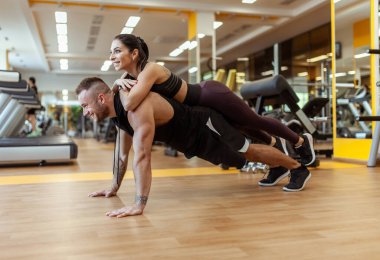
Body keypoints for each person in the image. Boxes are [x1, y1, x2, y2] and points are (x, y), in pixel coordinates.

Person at [76, 77, 311, 218]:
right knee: (238, 161)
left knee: (248, 151)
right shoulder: (119, 117)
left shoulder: (135, 109)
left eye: (85, 105)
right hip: (192, 141)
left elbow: (143, 156)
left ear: (101, 98)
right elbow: (122, 155)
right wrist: (113, 187)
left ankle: (298, 167)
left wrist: (139, 203)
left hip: (204, 125)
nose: (85, 113)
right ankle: (280, 168)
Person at [108, 34, 315, 186]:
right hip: (202, 109)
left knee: (254, 120)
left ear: (134, 53)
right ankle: (277, 163)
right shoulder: (130, 79)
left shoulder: (149, 69)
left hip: (210, 94)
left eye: (117, 51)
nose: (112, 57)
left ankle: (300, 141)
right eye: (111, 52)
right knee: (242, 126)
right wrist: (118, 83)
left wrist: (118, 83)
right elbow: (109, 100)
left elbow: (127, 104)